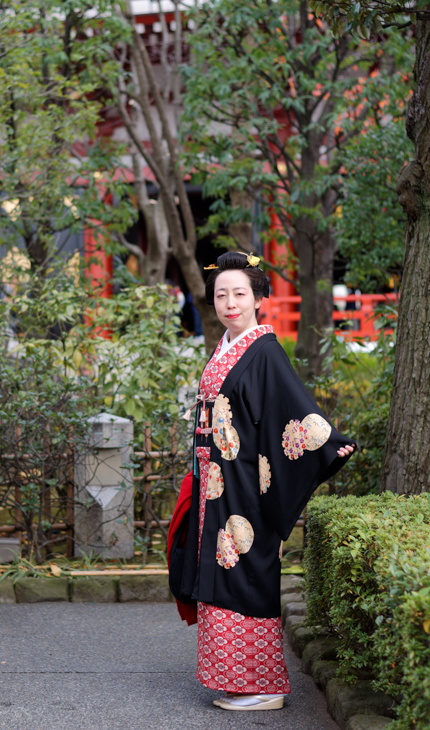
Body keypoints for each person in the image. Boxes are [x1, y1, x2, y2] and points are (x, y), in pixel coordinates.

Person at [168, 251, 356, 711]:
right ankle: (238, 679)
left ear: (259, 297)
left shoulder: (264, 349)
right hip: (218, 482)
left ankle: (264, 685)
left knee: (245, 570)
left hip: (245, 484)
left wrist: (325, 440)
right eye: (221, 295)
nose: (230, 302)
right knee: (222, 573)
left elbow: (288, 404)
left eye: (240, 293)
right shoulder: (228, 345)